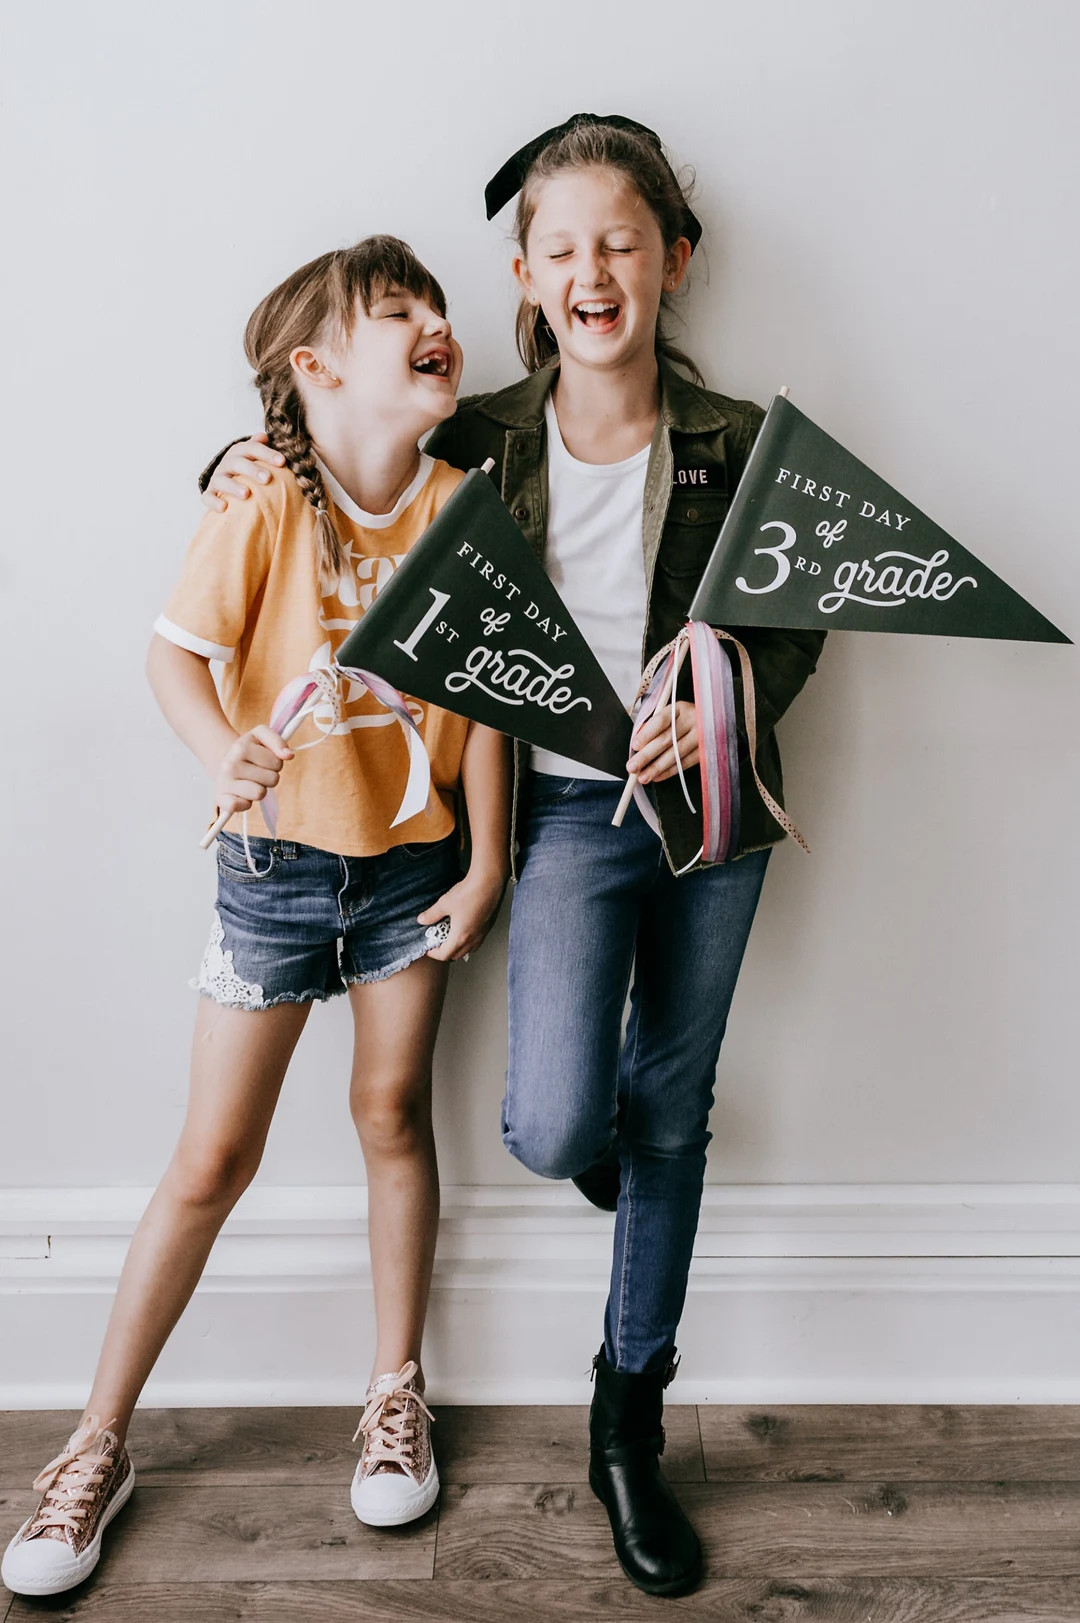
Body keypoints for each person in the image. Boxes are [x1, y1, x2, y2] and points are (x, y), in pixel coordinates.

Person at [197, 115, 825, 1601]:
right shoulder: (473, 434)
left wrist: (722, 696)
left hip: (712, 816)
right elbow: (330, 453)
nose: (592, 271)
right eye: (560, 249)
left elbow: (797, 616)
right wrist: (237, 450)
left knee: (674, 1103)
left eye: (622, 241)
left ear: (673, 261)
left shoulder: (742, 441)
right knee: (552, 1124)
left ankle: (629, 1427)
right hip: (552, 819)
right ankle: (627, 1165)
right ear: (526, 280)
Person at [2, 236, 510, 1600]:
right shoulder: (265, 496)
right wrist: (218, 743)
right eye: (397, 311)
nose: (436, 324)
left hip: (414, 870)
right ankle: (92, 1447)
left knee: (394, 1117)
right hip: (274, 873)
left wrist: (490, 866)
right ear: (317, 365)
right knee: (211, 1158)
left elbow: (496, 704)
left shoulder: (466, 506)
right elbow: (176, 653)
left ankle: (395, 1395)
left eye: (438, 309)